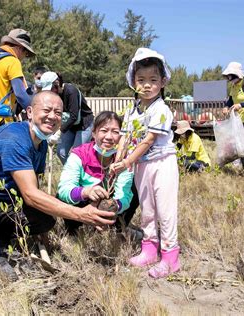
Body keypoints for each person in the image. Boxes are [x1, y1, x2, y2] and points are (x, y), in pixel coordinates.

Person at [0, 91, 115, 279]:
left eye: (58, 113)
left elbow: (34, 189)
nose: (53, 116)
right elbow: (30, 195)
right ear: (29, 112)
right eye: (47, 110)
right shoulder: (14, 137)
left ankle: (0, 240)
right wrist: (81, 214)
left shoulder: (40, 143)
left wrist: (44, 226)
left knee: (46, 218)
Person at [111, 47, 180, 279]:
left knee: (165, 210)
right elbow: (125, 137)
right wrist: (119, 157)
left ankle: (171, 257)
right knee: (148, 210)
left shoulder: (161, 109)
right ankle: (149, 249)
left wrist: (127, 161)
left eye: (153, 80)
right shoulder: (132, 110)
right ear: (133, 82)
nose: (147, 85)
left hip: (162, 164)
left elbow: (149, 140)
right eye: (141, 80)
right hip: (141, 166)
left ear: (162, 82)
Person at [57, 111, 139, 236]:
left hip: (110, 209)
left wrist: (112, 207)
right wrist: (86, 192)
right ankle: (75, 232)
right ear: (94, 133)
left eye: (115, 132)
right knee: (65, 197)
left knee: (135, 188)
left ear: (121, 136)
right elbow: (64, 190)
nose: (109, 137)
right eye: (104, 130)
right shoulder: (80, 154)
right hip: (82, 206)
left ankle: (117, 229)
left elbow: (125, 196)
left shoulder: (124, 161)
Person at [39, 71, 94, 164]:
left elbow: (74, 116)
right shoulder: (55, 96)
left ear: (56, 83)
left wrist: (58, 133)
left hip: (84, 125)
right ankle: (71, 173)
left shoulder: (71, 91)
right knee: (61, 152)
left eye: (50, 89)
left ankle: (81, 174)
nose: (49, 92)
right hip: (69, 126)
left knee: (77, 155)